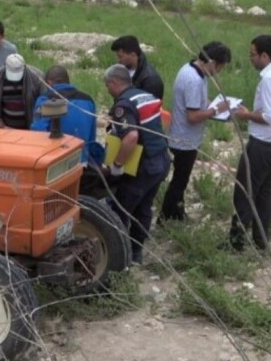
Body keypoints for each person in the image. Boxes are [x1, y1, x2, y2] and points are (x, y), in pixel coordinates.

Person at [104, 64, 170, 264]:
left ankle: (119, 255)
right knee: (144, 208)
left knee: (121, 209)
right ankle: (136, 252)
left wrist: (117, 164)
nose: (107, 89)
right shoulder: (144, 96)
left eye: (107, 85)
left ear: (114, 83)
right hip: (162, 159)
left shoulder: (123, 105)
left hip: (143, 165)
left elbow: (131, 136)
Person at [159, 42, 232, 223]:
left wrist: (213, 105)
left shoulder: (192, 69)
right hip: (185, 139)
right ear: (212, 62)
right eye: (220, 67)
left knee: (181, 179)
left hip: (185, 135)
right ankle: (166, 217)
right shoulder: (193, 79)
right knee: (179, 181)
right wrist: (216, 110)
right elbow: (193, 116)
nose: (218, 72)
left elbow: (199, 102)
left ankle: (176, 213)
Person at [226, 35, 271, 251]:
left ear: (264, 55)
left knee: (245, 191)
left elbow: (270, 116)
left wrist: (247, 115)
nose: (250, 59)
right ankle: (261, 240)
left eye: (253, 55)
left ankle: (236, 241)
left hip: (262, 144)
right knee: (264, 194)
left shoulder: (267, 80)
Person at [31, 65, 97, 163]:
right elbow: (92, 137)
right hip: (82, 160)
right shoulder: (88, 100)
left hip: (55, 162)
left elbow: (38, 131)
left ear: (49, 82)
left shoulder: (45, 100)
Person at [0, 53, 45, 129]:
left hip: (30, 129)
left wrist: (35, 125)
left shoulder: (37, 78)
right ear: (5, 66)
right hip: (4, 129)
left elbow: (44, 102)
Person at [111, 35, 164, 100]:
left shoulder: (151, 80)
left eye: (121, 56)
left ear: (133, 55)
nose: (118, 60)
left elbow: (150, 106)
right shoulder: (122, 71)